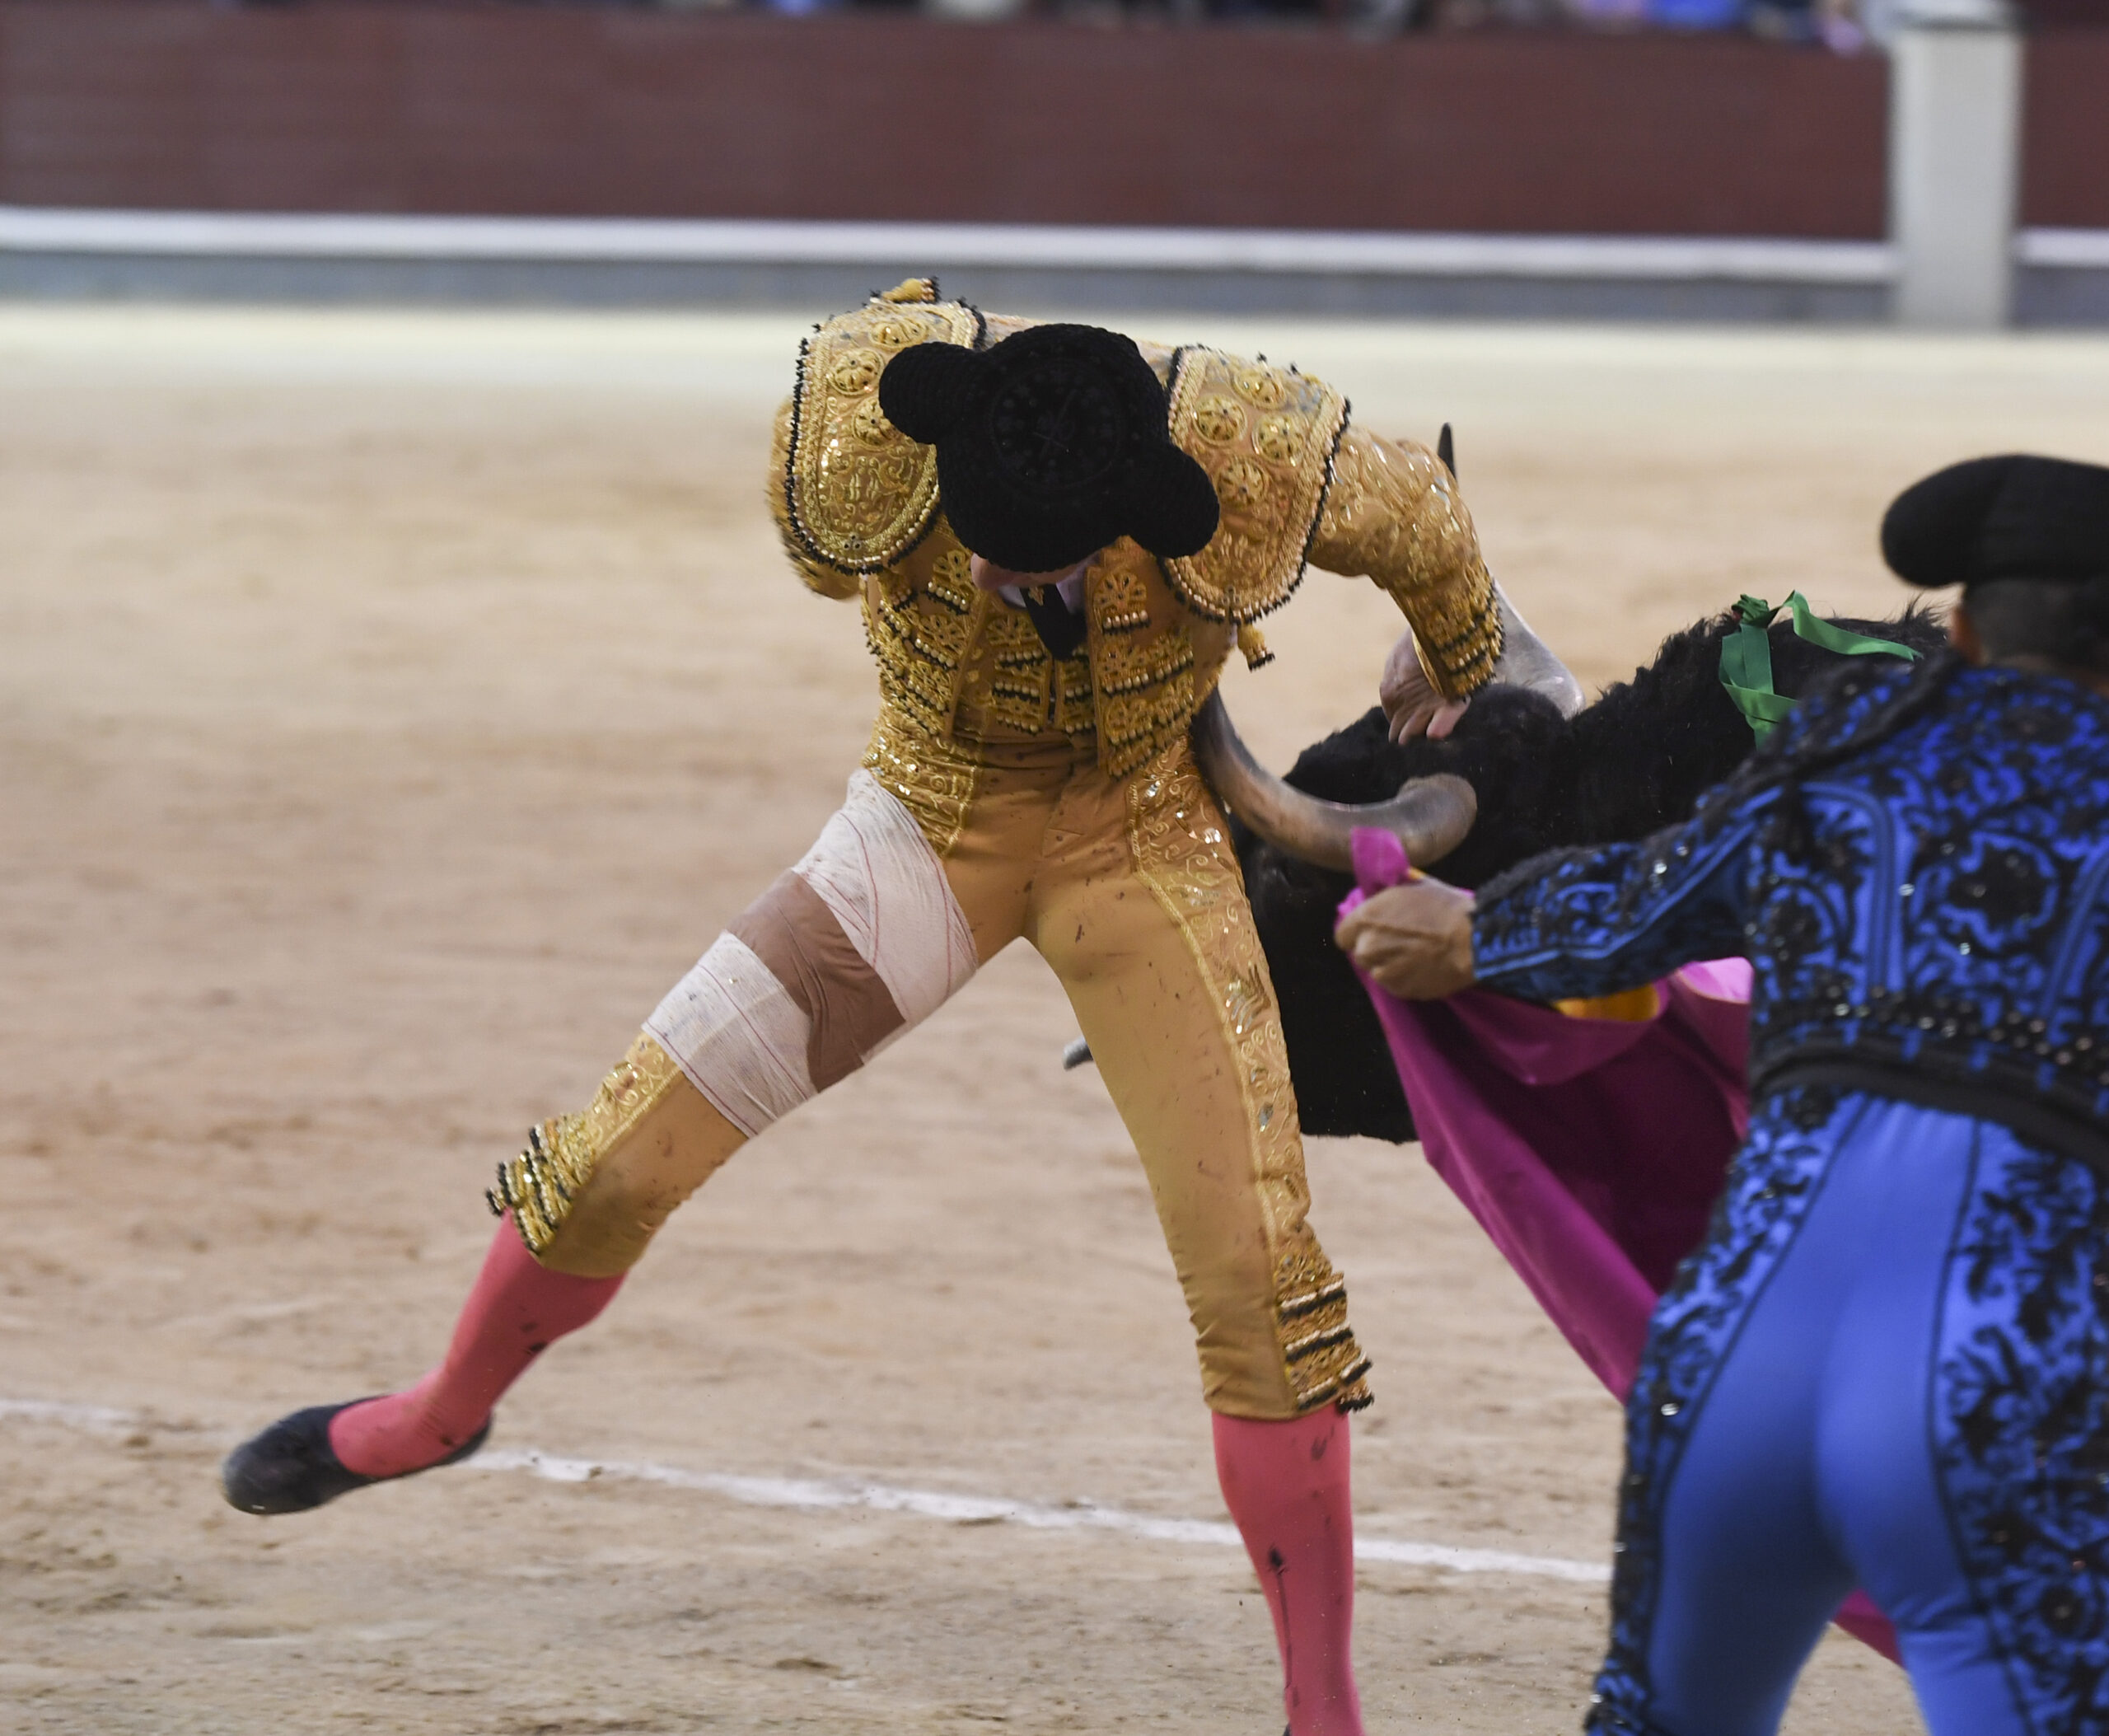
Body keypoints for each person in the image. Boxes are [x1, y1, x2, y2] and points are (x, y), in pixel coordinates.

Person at [220, 282, 1510, 1736]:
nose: (1008, 589)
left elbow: (1435, 535)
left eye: (1048, 567)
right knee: (609, 1160)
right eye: (988, 553)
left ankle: (1322, 1717)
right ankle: (438, 1415)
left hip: (1145, 843)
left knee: (1266, 1295)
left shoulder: (1257, 447)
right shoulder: (866, 423)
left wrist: (1462, 684)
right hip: (927, 829)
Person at [1336, 452, 2109, 1734]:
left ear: (1962, 633)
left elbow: (1630, 904)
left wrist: (1463, 933)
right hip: (1986, 1376)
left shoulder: (1838, 751)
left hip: (1738, 1354)